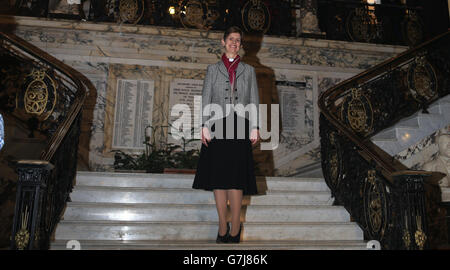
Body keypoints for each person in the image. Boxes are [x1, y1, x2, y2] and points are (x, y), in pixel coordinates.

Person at [192, 26, 260, 244]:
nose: (234, 43)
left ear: (241, 44)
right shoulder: (212, 69)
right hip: (216, 125)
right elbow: (206, 98)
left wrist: (255, 126)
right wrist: (203, 125)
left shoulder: (249, 70)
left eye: (238, 40)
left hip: (240, 125)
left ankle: (236, 227)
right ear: (223, 41)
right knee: (219, 179)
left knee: (236, 179)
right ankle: (223, 225)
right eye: (231, 39)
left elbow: (254, 100)